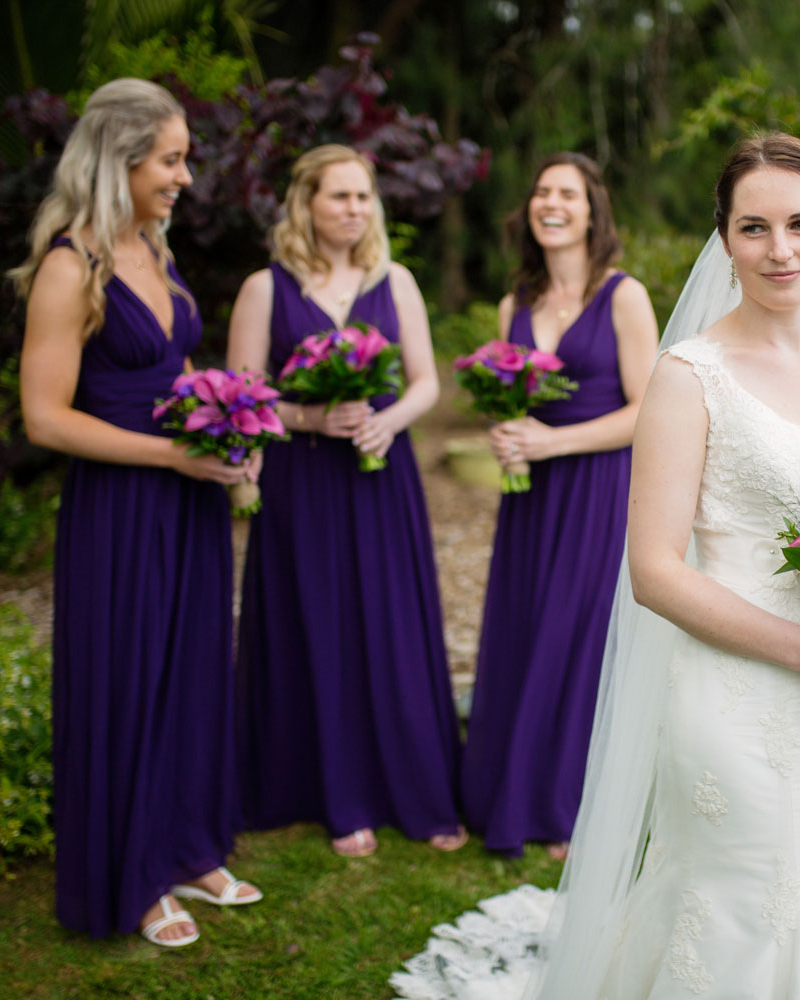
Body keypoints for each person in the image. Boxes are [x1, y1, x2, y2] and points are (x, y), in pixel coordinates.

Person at [394, 134, 800, 999]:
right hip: (739, 703)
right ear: (724, 240)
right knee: (744, 911)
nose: (780, 250)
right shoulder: (690, 375)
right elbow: (653, 571)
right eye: (753, 227)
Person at [15, 78, 262, 949]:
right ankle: (132, 872)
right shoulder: (68, 265)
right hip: (120, 512)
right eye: (171, 159)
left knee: (192, 671)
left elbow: (173, 371)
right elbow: (45, 416)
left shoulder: (155, 252)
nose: (185, 178)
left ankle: (190, 844)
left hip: (188, 502)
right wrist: (172, 454)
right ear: (120, 162)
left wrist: (231, 419)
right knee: (128, 680)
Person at [228, 144, 466, 858]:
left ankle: (411, 787)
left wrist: (385, 421)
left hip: (379, 475)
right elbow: (244, 397)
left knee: (389, 623)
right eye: (340, 196)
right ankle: (333, 794)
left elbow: (425, 382)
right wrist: (308, 419)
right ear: (306, 203)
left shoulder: (395, 281)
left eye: (364, 197)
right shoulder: (265, 289)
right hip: (301, 483)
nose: (355, 210)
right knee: (318, 624)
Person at [460, 152, 660, 858]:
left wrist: (554, 443)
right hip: (530, 498)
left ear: (592, 209)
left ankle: (569, 804)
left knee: (581, 640)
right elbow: (508, 396)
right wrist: (508, 433)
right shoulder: (514, 303)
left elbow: (650, 411)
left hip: (600, 490)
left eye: (567, 194)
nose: (551, 202)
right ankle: (507, 791)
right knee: (523, 625)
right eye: (541, 190)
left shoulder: (624, 295)